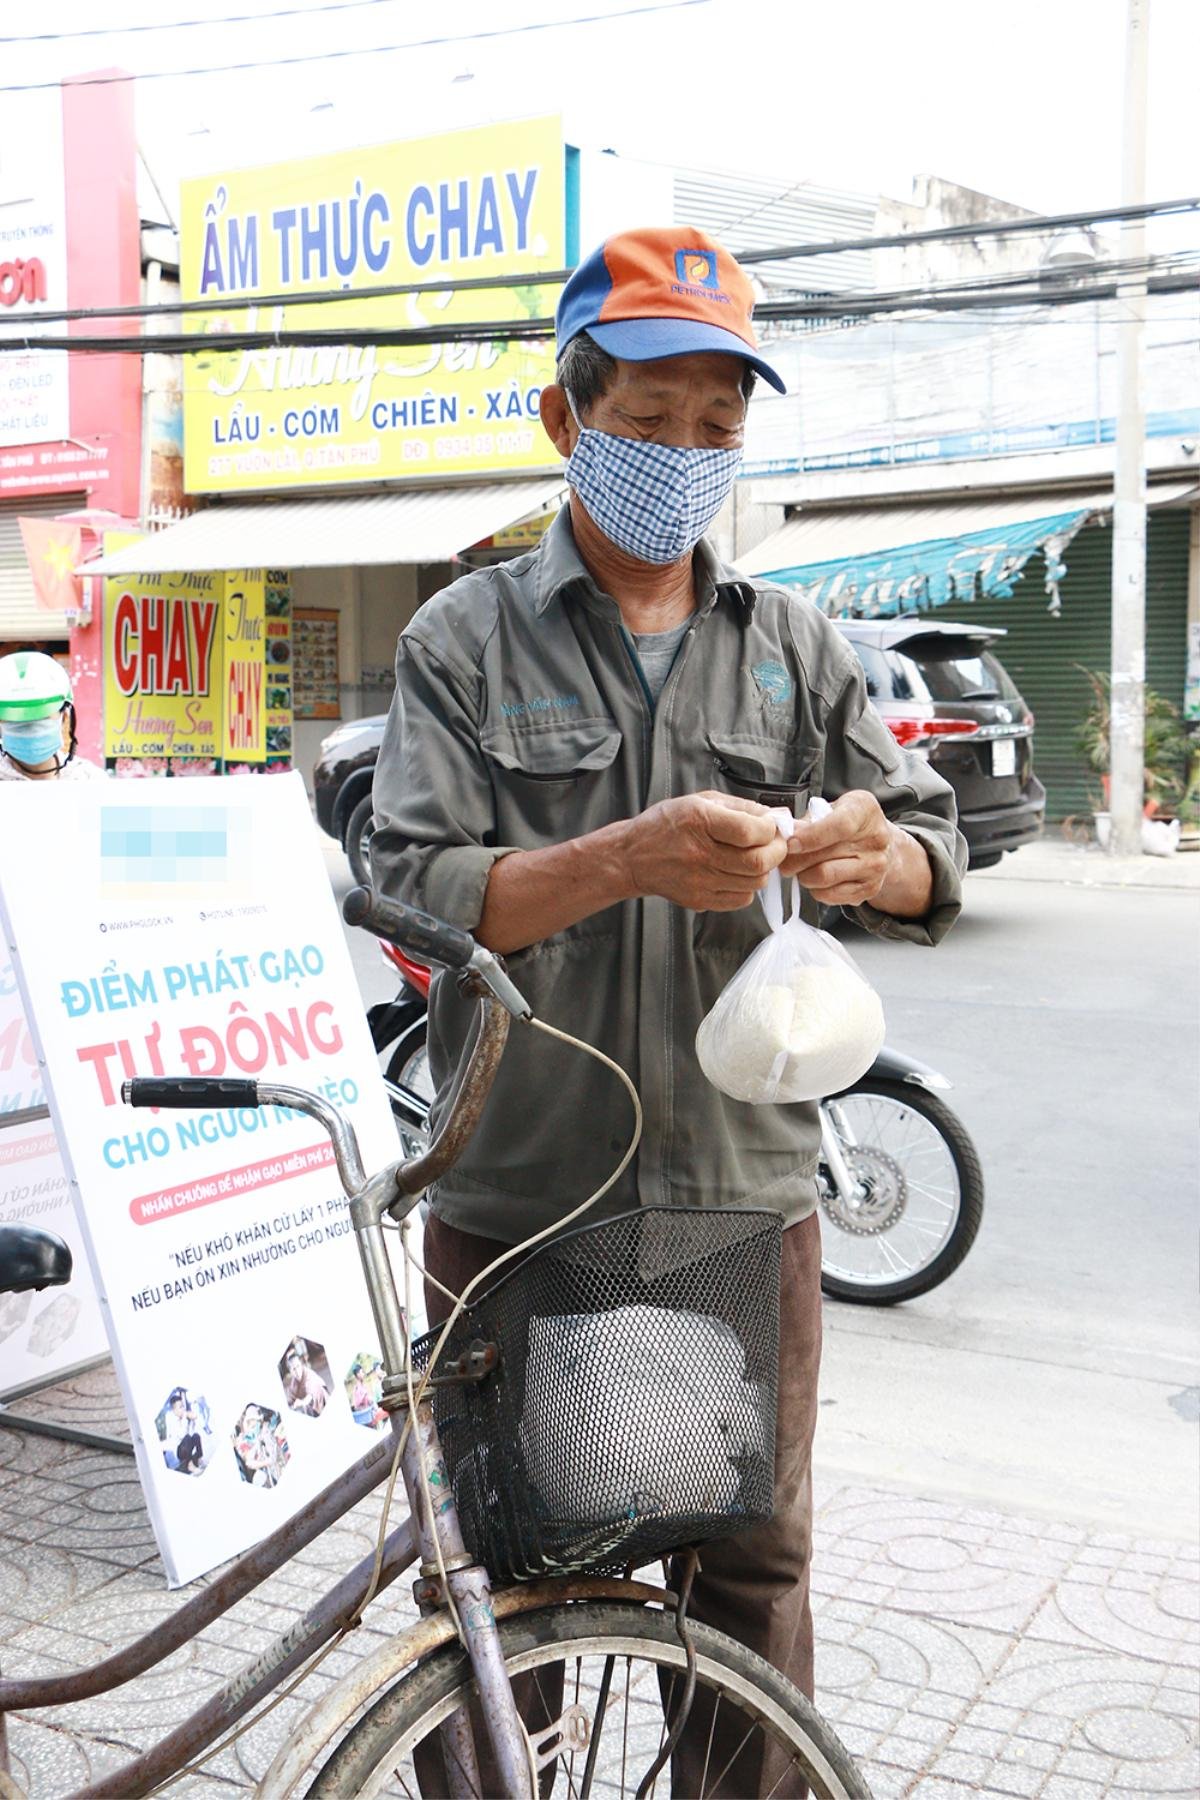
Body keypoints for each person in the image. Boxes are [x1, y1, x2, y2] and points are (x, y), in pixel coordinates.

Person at [370, 225, 966, 1797]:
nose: (685, 459)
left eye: (718, 428)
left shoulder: (797, 649)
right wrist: (620, 858)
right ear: (566, 423)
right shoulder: (463, 638)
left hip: (739, 1197)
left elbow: (932, 855)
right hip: (518, 1196)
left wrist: (874, 853)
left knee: (745, 1582)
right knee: (501, 1587)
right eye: (647, 424)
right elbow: (419, 886)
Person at [0, 651, 100, 781]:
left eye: (41, 715)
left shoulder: (88, 779)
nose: (30, 727)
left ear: (64, 717)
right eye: (16, 719)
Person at [161, 1390, 204, 1474]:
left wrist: (186, 1415)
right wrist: (184, 1417)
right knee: (187, 1438)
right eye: (180, 1407)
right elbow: (181, 1435)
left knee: (196, 1436)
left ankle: (199, 1459)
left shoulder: (182, 1414)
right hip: (178, 1450)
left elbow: (195, 1416)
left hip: (186, 1446)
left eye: (183, 1406)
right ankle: (190, 1466)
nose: (183, 1409)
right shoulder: (170, 1419)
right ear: (174, 1410)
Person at [282, 1342, 329, 1416]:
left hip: (321, 1402)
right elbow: (290, 1395)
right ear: (290, 1372)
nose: (297, 1371)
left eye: (298, 1366)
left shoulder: (309, 1375)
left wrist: (302, 1402)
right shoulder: (294, 1381)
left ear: (301, 1364)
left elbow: (311, 1394)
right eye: (294, 1369)